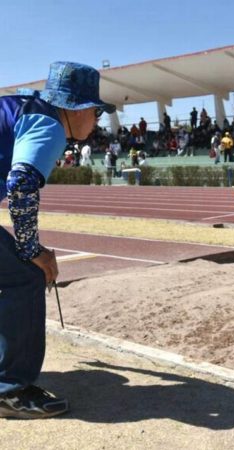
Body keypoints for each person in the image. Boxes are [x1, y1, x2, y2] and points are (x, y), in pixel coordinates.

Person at [0, 61, 116, 418]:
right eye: (95, 111)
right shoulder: (48, 126)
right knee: (26, 273)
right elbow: (20, 186)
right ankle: (10, 390)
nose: (96, 121)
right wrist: (33, 250)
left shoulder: (20, 105)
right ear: (73, 108)